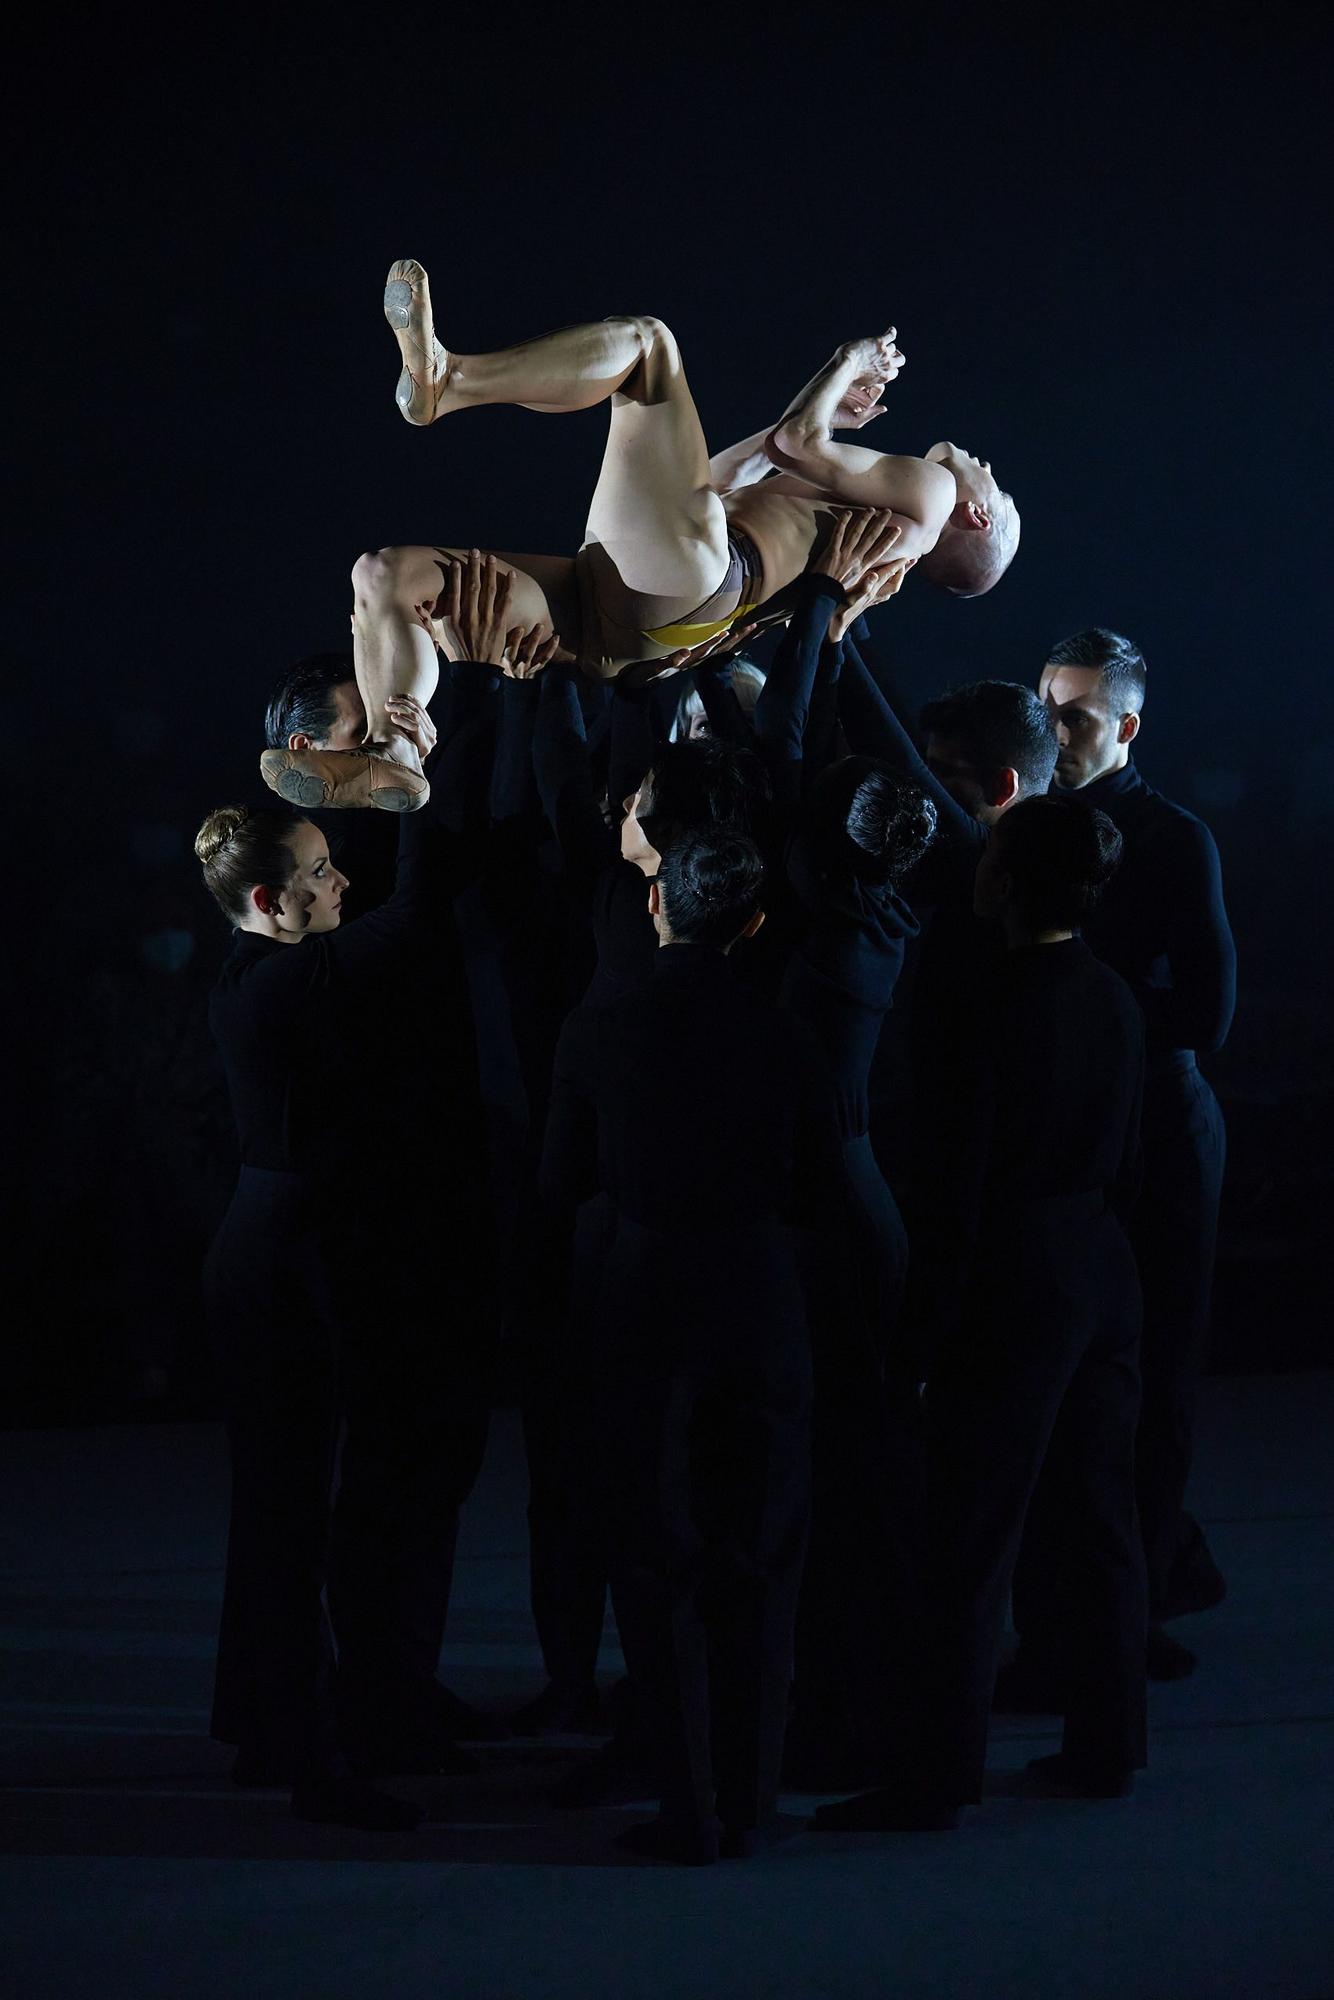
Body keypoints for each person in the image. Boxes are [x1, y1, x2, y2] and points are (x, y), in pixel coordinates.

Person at [197, 609, 544, 1827]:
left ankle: (334, 1702)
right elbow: (420, 905)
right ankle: (308, 1733)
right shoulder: (303, 917)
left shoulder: (304, 910)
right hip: (312, 1245)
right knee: (301, 1495)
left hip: (349, 1228)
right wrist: (450, 726)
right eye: (363, 733)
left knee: (344, 1479)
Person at [259, 265, 1016, 808]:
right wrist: (817, 421)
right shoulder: (852, 525)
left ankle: (447, 379)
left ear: (975, 518)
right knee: (387, 575)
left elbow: (793, 442)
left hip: (694, 579)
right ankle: (395, 751)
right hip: (645, 625)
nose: (984, 467)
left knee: (649, 347)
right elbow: (726, 477)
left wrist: (849, 361)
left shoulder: (934, 489)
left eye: (999, 488)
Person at [813, 794, 1148, 1833]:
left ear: (1001, 878)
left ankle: (935, 1770)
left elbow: (955, 1189)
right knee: (1097, 1516)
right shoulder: (1108, 991)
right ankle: (1107, 1742)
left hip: (1012, 1272)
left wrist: (916, 1334)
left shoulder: (987, 1005)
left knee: (965, 1533)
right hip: (1096, 1258)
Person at [540, 828, 848, 1863]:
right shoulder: (787, 1034)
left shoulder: (595, 1030)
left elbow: (559, 1184)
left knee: (653, 1545)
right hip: (758, 1290)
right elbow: (818, 1184)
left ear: (654, 904)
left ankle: (685, 1800)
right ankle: (752, 1796)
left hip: (640, 1287)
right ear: (752, 924)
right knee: (759, 1548)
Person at [1007, 628, 1236, 1687]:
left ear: (1126, 727)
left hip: (1155, 1133)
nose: (1055, 731)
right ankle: (1098, 1608)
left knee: (1152, 1380)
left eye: (1077, 717)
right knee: (1069, 1383)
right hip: (1075, 1138)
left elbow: (1206, 1011)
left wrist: (1084, 996)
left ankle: (1126, 1610)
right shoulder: (1029, 820)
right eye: (1046, 707)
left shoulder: (1171, 837)